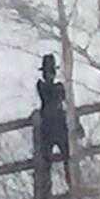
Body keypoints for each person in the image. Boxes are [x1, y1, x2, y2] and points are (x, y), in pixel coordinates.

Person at [36, 54, 73, 184]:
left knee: (67, 159)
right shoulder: (43, 86)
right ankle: (46, 194)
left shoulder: (56, 87)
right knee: (46, 162)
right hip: (50, 126)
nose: (49, 75)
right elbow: (51, 98)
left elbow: (60, 99)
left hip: (56, 126)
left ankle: (72, 185)